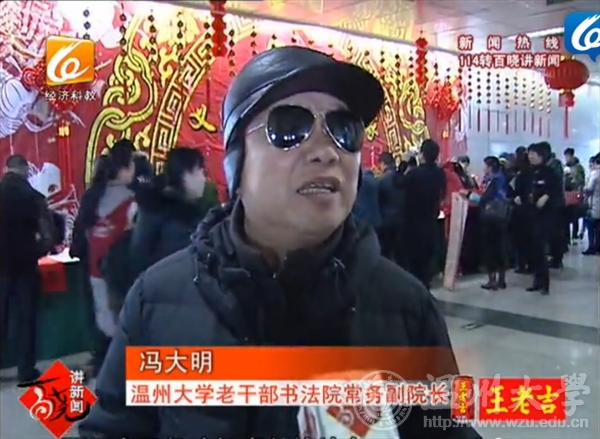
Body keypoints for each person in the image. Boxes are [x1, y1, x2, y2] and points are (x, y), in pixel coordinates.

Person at [80, 46, 480, 439]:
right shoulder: (156, 299)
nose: (326, 152)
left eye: (344, 131)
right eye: (290, 128)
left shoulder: (407, 307)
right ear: (236, 163)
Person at [78, 140, 136, 376]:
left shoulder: (94, 196)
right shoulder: (131, 200)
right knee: (125, 319)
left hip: (95, 265)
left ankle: (105, 367)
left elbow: (84, 231)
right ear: (123, 169)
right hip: (122, 270)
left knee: (104, 317)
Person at [0, 155, 54, 382]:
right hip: (25, 267)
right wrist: (34, 251)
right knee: (26, 319)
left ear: (6, 169)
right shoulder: (34, 197)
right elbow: (49, 236)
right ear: (25, 170)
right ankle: (25, 371)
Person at [130, 147, 210, 275]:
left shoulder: (151, 204)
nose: (204, 179)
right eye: (200, 172)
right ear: (185, 175)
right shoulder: (180, 222)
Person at [399, 139, 446, 288]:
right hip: (431, 221)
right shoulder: (440, 174)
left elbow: (398, 183)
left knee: (413, 264)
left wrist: (404, 163)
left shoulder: (415, 174)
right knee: (426, 264)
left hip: (412, 224)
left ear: (422, 154)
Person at [461, 157, 508, 290]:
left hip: (491, 218)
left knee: (490, 249)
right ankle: (501, 279)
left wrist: (469, 195)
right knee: (500, 248)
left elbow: (484, 199)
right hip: (501, 217)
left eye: (485, 166)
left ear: (490, 167)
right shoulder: (502, 179)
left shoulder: (493, 181)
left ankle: (492, 280)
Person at [525, 143, 561, 294]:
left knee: (541, 249)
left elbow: (555, 191)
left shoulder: (550, 173)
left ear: (541, 155)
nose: (530, 156)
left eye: (533, 154)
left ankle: (545, 283)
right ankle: (537, 281)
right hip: (532, 214)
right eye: (529, 154)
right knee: (533, 249)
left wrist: (546, 196)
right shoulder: (531, 172)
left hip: (545, 216)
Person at [377, 152, 403, 259]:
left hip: (386, 221)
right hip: (401, 219)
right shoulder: (402, 177)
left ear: (383, 164)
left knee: (386, 253)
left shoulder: (381, 180)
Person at [563, 147, 586, 242]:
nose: (566, 159)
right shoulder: (565, 167)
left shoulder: (578, 168)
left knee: (575, 215)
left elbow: (581, 181)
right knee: (566, 216)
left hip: (575, 194)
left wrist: (574, 182)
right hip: (566, 194)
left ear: (572, 156)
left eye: (568, 156)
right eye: (565, 157)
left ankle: (575, 235)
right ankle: (567, 236)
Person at [582, 154, 600, 255]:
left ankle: (592, 247)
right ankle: (598, 247)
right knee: (598, 228)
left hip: (594, 203)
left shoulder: (595, 174)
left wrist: (584, 189)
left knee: (591, 227)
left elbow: (589, 188)